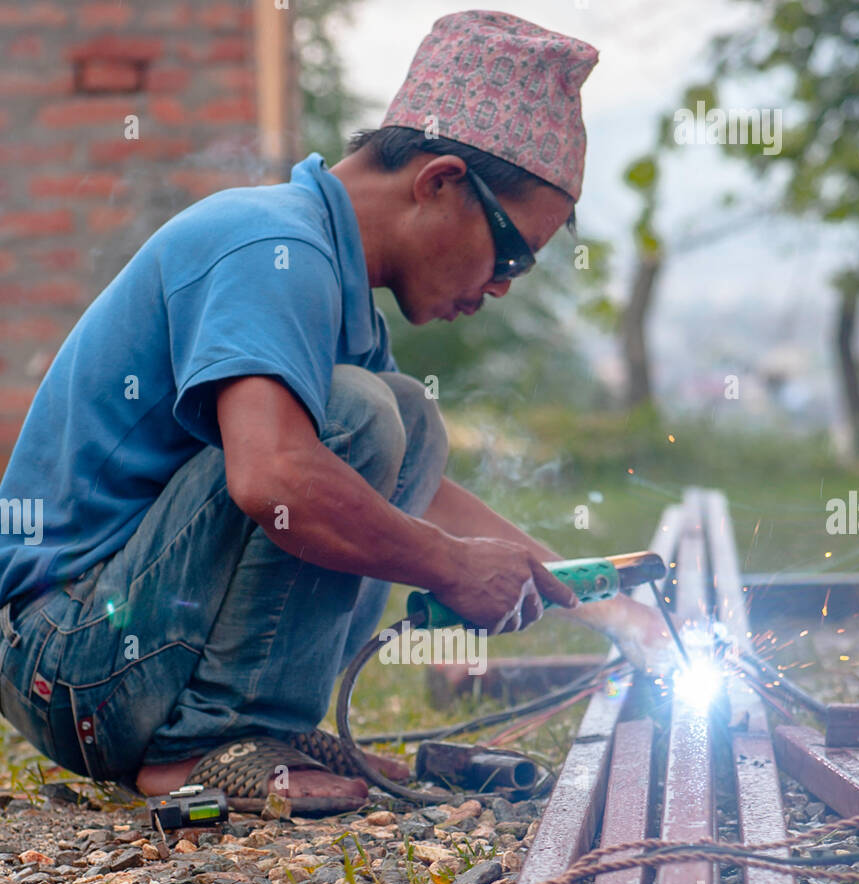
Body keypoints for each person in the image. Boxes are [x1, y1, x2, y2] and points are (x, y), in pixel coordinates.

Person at [0, 10, 672, 814]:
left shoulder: (331, 288)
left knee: (406, 421)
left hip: (115, 656)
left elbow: (419, 495)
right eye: (514, 251)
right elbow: (274, 475)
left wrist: (603, 602)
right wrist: (453, 568)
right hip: (72, 662)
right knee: (358, 414)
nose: (504, 285)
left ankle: (249, 729)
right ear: (440, 182)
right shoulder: (269, 246)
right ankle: (208, 745)